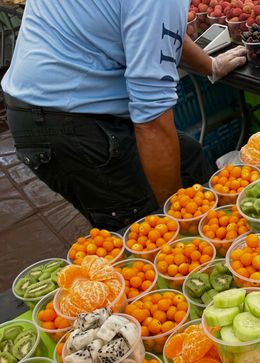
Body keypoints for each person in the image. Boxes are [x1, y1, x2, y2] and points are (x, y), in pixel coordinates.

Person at [2, 0, 246, 230]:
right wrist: (176, 221)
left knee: (188, 156)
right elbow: (152, 119)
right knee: (146, 226)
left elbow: (155, 30)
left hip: (47, 101)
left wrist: (210, 66)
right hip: (65, 122)